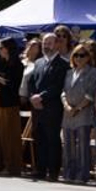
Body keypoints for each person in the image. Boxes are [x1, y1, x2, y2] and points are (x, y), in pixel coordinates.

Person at [25, 31, 69, 181]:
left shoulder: (63, 64)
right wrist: (32, 97)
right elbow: (31, 82)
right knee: (39, 139)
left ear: (57, 44)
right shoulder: (38, 62)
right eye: (44, 43)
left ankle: (53, 171)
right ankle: (40, 169)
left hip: (52, 108)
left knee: (52, 140)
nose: (46, 46)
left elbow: (57, 86)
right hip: (37, 108)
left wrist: (41, 97)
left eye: (49, 43)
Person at [59, 43, 96, 184]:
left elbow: (90, 94)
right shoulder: (69, 72)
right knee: (68, 145)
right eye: (76, 55)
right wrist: (67, 105)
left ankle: (82, 175)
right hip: (68, 113)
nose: (79, 58)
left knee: (82, 146)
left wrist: (77, 108)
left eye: (82, 55)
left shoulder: (93, 72)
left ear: (88, 57)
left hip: (83, 113)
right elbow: (63, 91)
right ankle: (69, 173)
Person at [0, 38, 24, 175]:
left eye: (1, 47)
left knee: (9, 135)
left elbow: (11, 84)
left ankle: (11, 166)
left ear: (8, 48)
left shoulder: (17, 65)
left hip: (9, 102)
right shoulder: (1, 62)